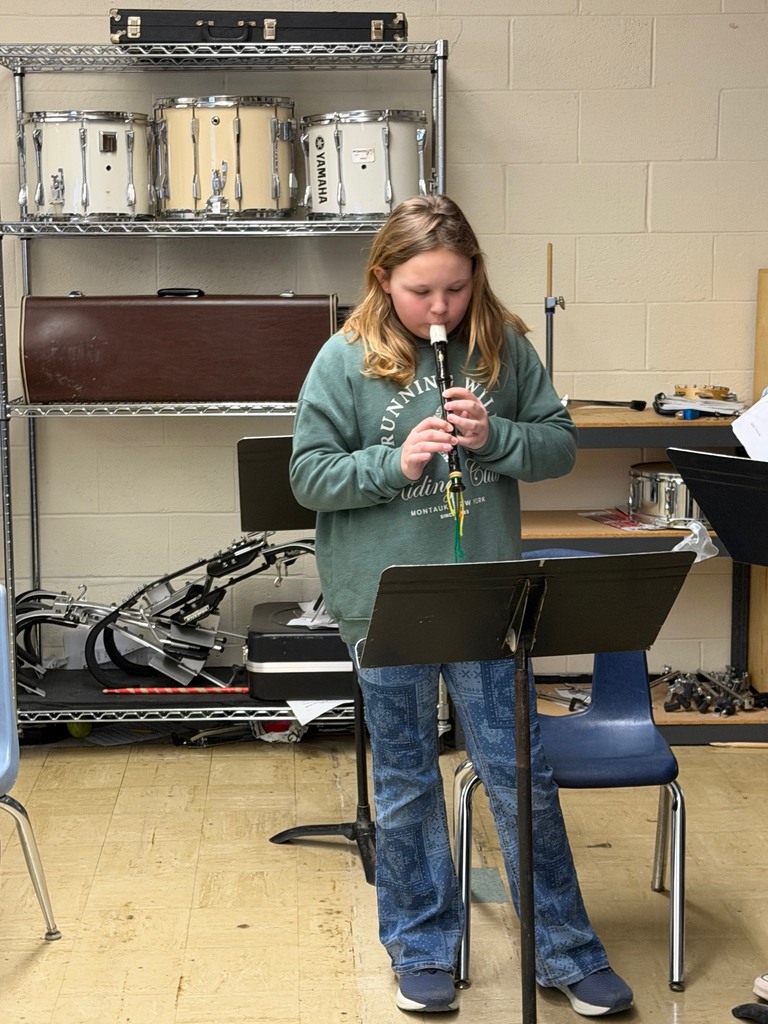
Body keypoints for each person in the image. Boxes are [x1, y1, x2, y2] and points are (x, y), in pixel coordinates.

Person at [289, 194, 633, 1017]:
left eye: (454, 289)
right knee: (406, 783)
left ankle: (565, 950)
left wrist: (496, 438)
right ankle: (421, 947)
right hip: (386, 602)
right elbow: (307, 476)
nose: (439, 309)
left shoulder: (501, 346)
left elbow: (556, 444)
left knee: (523, 775)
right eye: (420, 292)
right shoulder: (344, 360)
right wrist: (393, 464)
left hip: (487, 596)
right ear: (382, 281)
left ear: (475, 276)